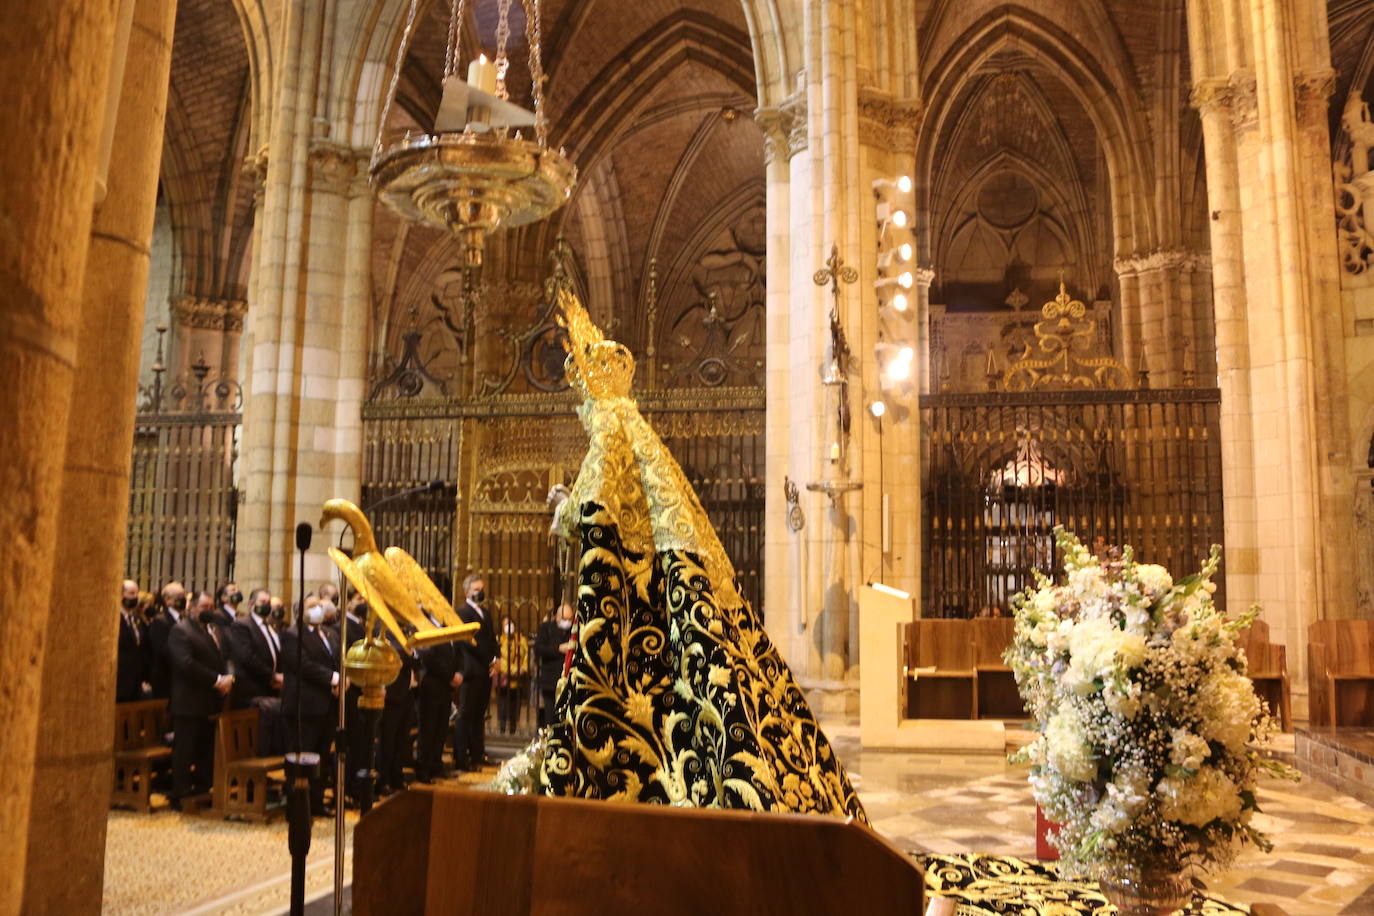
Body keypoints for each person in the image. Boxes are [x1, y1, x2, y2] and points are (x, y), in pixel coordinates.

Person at [167, 591, 234, 810]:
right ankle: (181, 793)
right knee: (185, 749)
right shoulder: (181, 631)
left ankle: (203, 788)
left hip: (210, 700)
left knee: (206, 747)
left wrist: (229, 678)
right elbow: (186, 664)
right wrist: (216, 680)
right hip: (188, 701)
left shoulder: (214, 629)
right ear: (192, 607)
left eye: (211, 607)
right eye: (204, 607)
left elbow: (226, 656)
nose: (209, 611)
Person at [280, 596, 340, 816]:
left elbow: (334, 660)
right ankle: (296, 807)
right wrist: (332, 678)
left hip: (326, 705)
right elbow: (302, 664)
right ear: (300, 610)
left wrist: (339, 679)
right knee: (302, 757)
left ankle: (316, 802)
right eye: (312, 606)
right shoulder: (292, 635)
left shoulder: (329, 633)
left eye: (318, 605)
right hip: (303, 706)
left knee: (322, 758)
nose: (317, 609)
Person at [230, 588, 284, 752]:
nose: (267, 606)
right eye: (262, 602)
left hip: (270, 689)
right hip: (251, 689)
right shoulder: (242, 625)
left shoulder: (269, 626)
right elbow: (247, 657)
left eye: (268, 602)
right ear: (251, 604)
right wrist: (272, 676)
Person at [453, 573, 497, 770]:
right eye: (476, 590)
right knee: (466, 714)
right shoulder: (462, 612)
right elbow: (469, 641)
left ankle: (478, 754)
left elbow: (492, 638)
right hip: (472, 668)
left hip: (485, 670)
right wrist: (489, 657)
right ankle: (461, 758)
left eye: (481, 589)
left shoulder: (485, 613)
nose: (480, 593)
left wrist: (497, 658)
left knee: (479, 714)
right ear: (467, 592)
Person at [415, 620, 461, 782]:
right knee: (428, 729)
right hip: (433, 686)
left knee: (440, 729)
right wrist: (450, 676)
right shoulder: (429, 629)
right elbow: (429, 658)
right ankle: (424, 768)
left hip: (445, 689)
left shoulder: (449, 631)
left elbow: (456, 655)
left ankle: (436, 764)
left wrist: (459, 673)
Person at [377, 630, 419, 796]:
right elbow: (397, 655)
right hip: (392, 694)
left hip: (406, 693)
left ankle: (396, 776)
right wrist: (411, 651)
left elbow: (417, 658)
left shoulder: (404, 633)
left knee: (401, 739)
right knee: (387, 740)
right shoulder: (385, 629)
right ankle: (383, 779)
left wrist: (412, 652)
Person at [341, 594, 370, 805]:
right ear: (348, 601)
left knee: (362, 743)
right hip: (352, 692)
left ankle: (361, 786)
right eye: (358, 598)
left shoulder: (362, 625)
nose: (362, 602)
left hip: (364, 690)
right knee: (353, 743)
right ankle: (351, 787)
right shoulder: (344, 626)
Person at [534, 603, 575, 728]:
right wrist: (558, 649)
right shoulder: (546, 628)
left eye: (569, 619)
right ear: (557, 617)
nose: (567, 622)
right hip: (550, 680)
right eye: (564, 619)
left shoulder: (573, 631)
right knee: (549, 715)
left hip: (568, 680)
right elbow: (539, 648)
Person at [147, 581, 187, 699]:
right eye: (179, 596)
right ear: (168, 600)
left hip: (181, 678)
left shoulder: (184, 619)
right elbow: (162, 649)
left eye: (184, 595)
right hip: (166, 677)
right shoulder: (161, 620)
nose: (183, 599)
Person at [115, 579, 149, 703]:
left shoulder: (136, 618)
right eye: (131, 593)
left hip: (135, 680)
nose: (135, 597)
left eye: (136, 594)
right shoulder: (114, 619)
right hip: (120, 679)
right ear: (120, 594)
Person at [494, 615, 529, 734]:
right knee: (503, 706)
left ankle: (513, 729)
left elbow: (526, 655)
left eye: (510, 623)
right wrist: (512, 669)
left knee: (515, 707)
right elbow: (498, 658)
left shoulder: (520, 639)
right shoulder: (499, 639)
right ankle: (502, 729)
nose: (509, 626)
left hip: (517, 680)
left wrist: (523, 668)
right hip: (504, 679)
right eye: (505, 624)